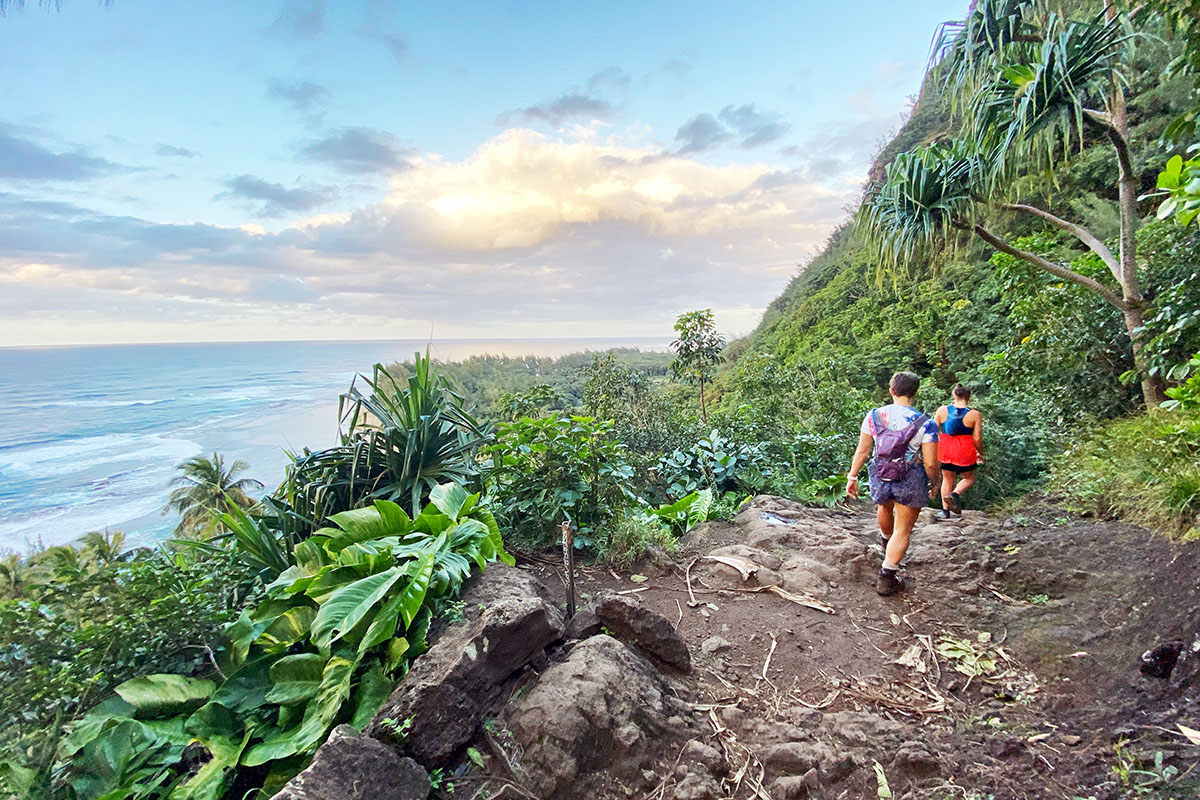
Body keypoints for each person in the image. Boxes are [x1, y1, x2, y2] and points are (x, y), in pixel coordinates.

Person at [845, 372, 940, 596]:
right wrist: (935, 483)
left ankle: (887, 544)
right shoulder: (926, 423)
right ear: (915, 392)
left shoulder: (874, 416)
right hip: (910, 476)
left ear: (892, 391)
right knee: (903, 530)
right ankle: (887, 577)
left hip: (880, 472)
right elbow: (931, 462)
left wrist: (852, 476)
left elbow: (863, 450)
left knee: (884, 507)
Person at [934, 384, 983, 520]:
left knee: (947, 479)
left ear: (954, 395)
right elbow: (977, 438)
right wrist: (980, 452)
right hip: (965, 450)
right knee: (969, 478)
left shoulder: (942, 410)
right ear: (968, 397)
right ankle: (954, 494)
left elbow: (932, 430)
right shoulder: (974, 414)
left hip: (945, 449)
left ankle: (945, 511)